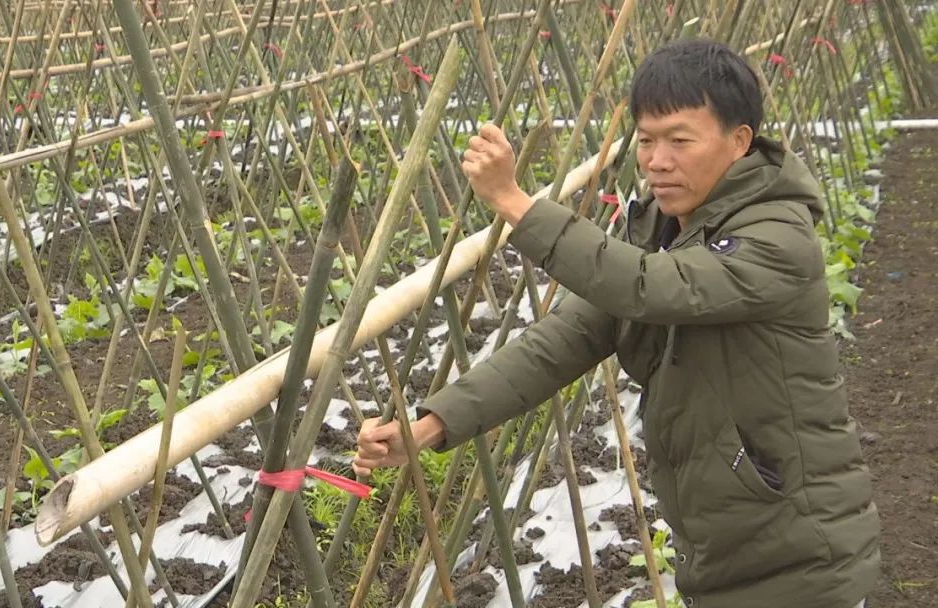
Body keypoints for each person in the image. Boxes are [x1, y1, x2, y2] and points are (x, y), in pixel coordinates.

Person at [352, 39, 879, 608]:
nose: (657, 160)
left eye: (680, 140)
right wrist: (434, 424)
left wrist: (513, 201)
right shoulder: (663, 224)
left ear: (739, 141)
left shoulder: (776, 235)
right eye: (647, 140)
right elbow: (565, 339)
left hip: (798, 556)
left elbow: (651, 286)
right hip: (722, 545)